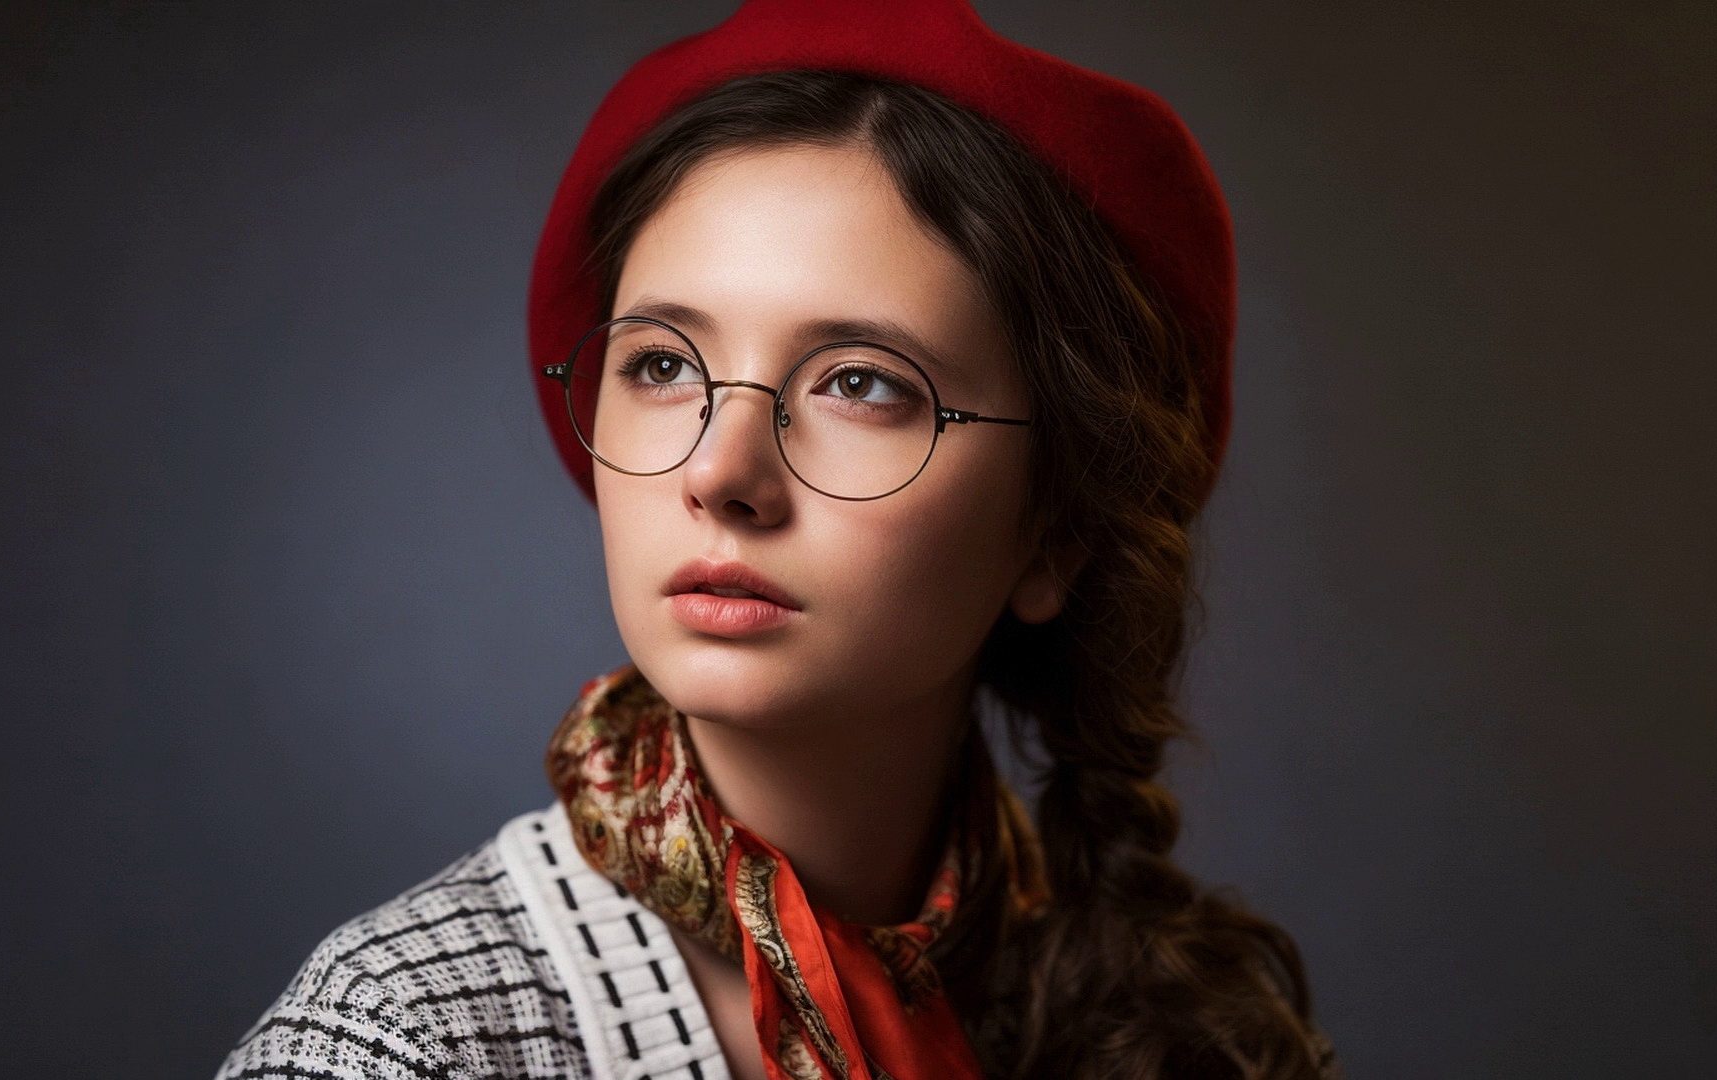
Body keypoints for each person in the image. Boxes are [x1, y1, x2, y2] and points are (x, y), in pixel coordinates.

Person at [215, 2, 1340, 1078]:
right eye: (660, 365)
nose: (719, 472)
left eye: (859, 382)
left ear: (1057, 527)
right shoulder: (398, 1044)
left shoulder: (1157, 1016)